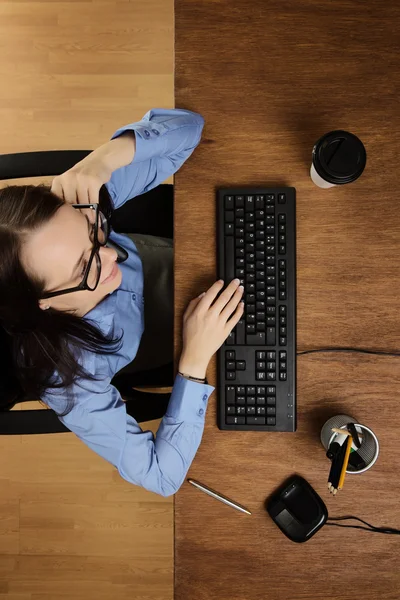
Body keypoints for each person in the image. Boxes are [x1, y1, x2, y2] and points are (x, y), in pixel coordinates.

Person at [0, 108, 244, 497]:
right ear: (42, 303)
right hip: (188, 344)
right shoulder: (69, 382)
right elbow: (161, 478)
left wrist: (105, 158)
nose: (112, 255)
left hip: (187, 256)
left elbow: (190, 129)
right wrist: (194, 360)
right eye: (86, 267)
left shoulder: (75, 209)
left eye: (94, 233)